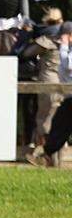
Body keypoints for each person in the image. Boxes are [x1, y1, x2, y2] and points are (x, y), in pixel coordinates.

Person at [26, 21, 72, 167]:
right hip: (69, 96)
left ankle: (46, 156)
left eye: (63, 36)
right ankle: (46, 156)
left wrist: (64, 46)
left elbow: (68, 65)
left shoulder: (66, 49)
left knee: (60, 125)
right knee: (59, 126)